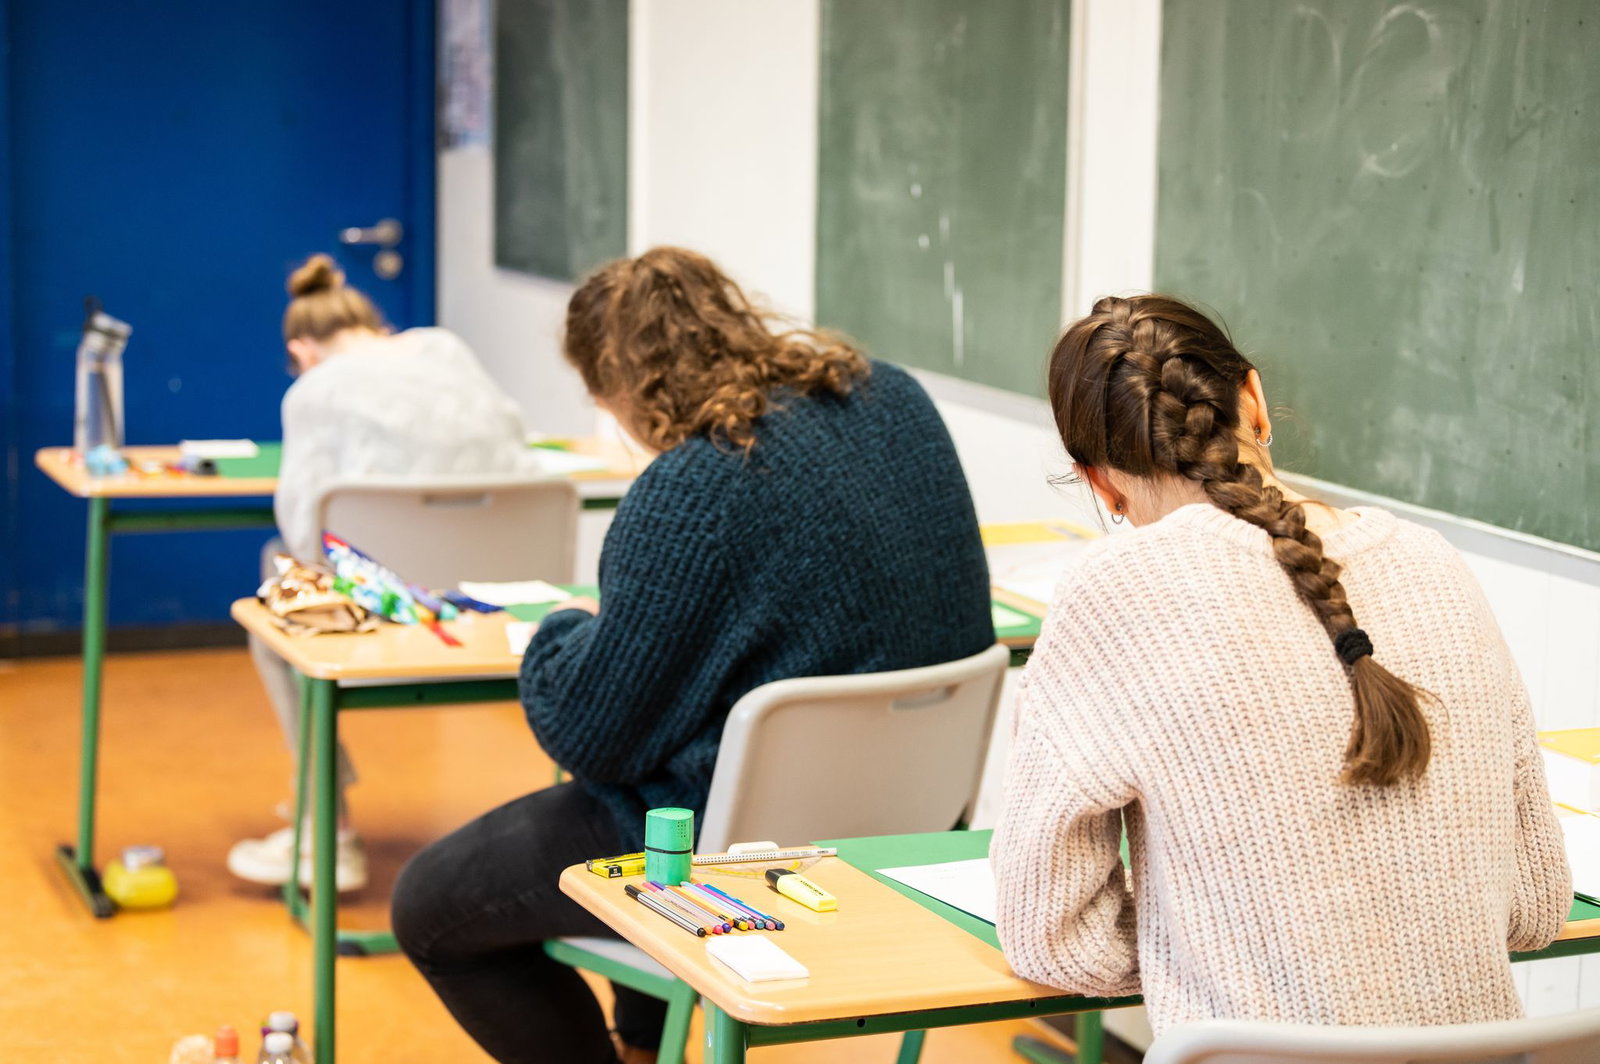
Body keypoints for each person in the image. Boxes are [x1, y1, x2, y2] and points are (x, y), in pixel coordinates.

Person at [390, 246, 995, 1064]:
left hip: (725, 848)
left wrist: (561, 633)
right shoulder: (892, 400)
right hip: (912, 823)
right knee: (653, 756)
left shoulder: (693, 487)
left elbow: (590, 732)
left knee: (430, 907)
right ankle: (647, 1041)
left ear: (620, 392)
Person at [992, 294, 1571, 1035]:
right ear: (1255, 400)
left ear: (1098, 482)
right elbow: (1533, 905)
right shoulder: (1434, 562)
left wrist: (1225, 947)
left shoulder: (1113, 591)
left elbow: (1053, 936)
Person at [227, 254, 535, 892]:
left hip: (390, 609)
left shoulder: (314, 388)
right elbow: (518, 453)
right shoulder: (448, 352)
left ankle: (325, 824)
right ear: (377, 326)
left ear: (302, 351)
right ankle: (321, 804)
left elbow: (306, 531)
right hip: (500, 601)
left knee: (274, 575)